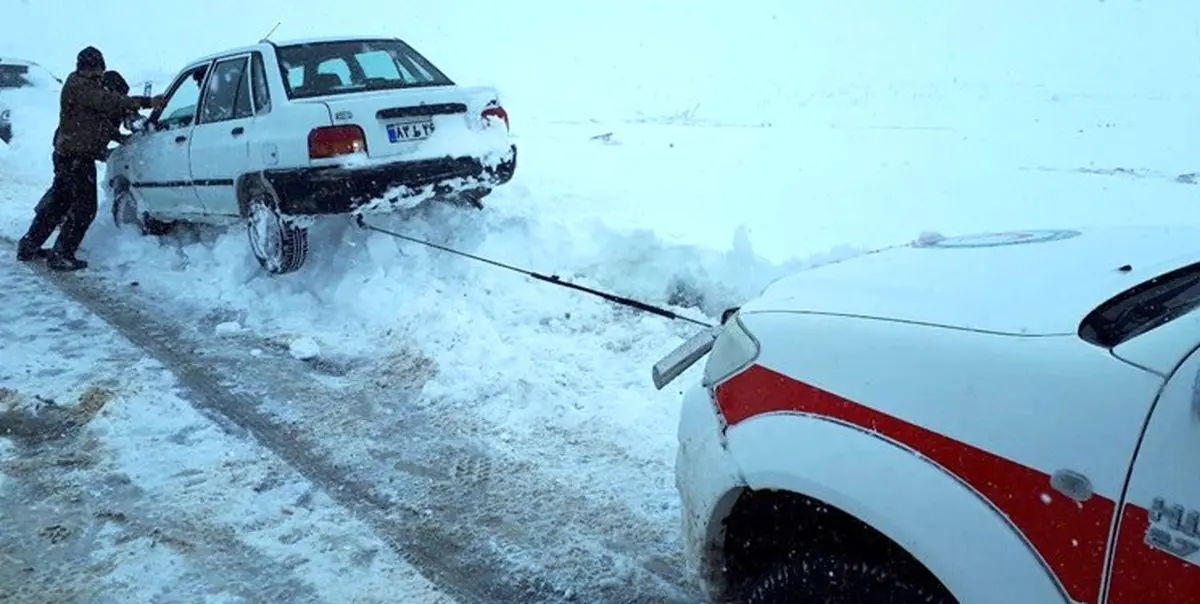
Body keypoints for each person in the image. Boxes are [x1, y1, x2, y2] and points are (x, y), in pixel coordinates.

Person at [16, 46, 159, 271]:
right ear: (85, 70)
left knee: (58, 204)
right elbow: (108, 104)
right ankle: (61, 254)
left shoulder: (91, 95)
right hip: (75, 159)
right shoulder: (79, 87)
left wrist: (121, 137)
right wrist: (147, 102)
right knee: (84, 209)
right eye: (95, 72)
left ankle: (29, 246)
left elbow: (101, 125)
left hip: (69, 156)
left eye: (100, 72)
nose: (98, 76)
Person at [31, 70, 137, 226]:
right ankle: (45, 214)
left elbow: (117, 123)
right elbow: (98, 131)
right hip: (68, 151)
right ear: (107, 89)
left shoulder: (112, 106)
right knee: (64, 187)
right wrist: (106, 151)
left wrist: (128, 128)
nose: (118, 99)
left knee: (65, 188)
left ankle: (49, 216)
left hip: (79, 151)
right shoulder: (93, 103)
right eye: (117, 94)